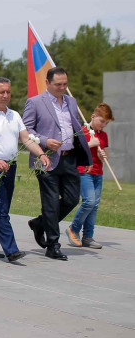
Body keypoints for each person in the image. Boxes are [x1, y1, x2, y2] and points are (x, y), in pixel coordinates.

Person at [0, 78, 49, 263]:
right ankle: (11, 250)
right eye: (1, 92)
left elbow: (26, 139)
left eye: (8, 92)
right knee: (0, 207)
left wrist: (41, 154)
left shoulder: (14, 115)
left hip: (10, 166)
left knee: (1, 207)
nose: (5, 96)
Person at [23, 66, 92, 261]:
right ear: (47, 83)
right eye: (58, 84)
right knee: (51, 202)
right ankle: (53, 245)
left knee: (72, 199)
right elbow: (26, 131)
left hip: (70, 158)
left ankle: (40, 223)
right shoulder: (35, 102)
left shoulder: (71, 101)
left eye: (65, 84)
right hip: (46, 159)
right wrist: (45, 141)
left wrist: (86, 156)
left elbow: (75, 128)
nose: (62, 88)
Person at [68, 103, 114, 249]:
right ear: (93, 116)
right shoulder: (82, 131)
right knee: (89, 201)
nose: (103, 125)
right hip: (84, 171)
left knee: (94, 206)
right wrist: (90, 144)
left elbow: (105, 157)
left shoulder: (104, 135)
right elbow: (74, 151)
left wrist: (102, 155)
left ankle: (88, 236)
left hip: (97, 173)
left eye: (106, 123)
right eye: (102, 121)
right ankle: (73, 229)